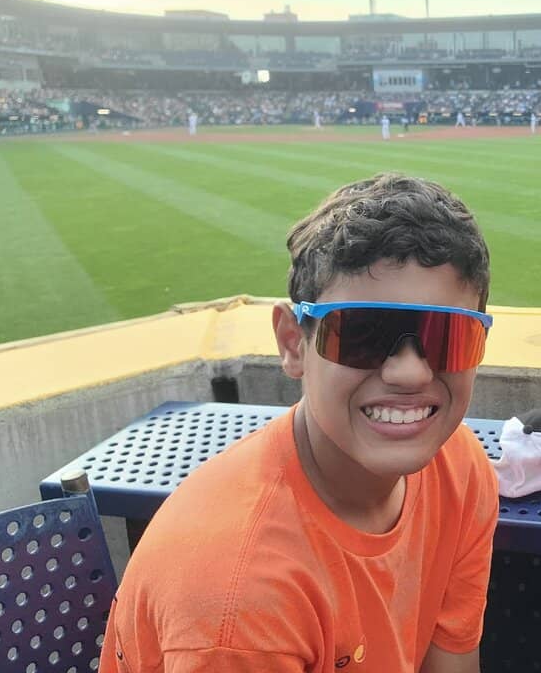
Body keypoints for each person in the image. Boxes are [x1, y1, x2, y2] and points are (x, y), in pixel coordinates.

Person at [100, 173, 499, 672]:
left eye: (448, 335)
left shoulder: (459, 469)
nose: (410, 371)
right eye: (363, 332)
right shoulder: (239, 603)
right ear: (293, 343)